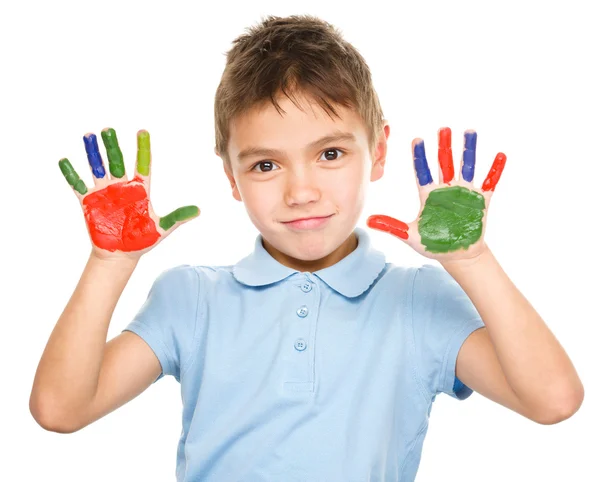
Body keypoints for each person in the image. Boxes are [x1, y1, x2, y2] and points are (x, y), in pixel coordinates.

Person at [29, 14, 584, 482]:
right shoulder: (191, 298)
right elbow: (60, 410)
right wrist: (110, 262)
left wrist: (472, 261)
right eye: (266, 165)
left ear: (379, 149)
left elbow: (553, 401)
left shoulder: (417, 301)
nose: (301, 192)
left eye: (331, 154)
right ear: (231, 176)